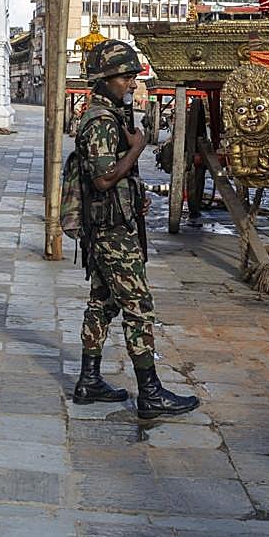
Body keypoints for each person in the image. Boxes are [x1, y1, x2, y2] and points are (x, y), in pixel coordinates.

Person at [72, 39, 201, 419]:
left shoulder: (110, 115)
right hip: (111, 232)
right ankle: (150, 392)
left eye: (133, 77)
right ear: (106, 79)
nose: (132, 84)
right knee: (139, 306)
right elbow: (102, 179)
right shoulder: (100, 121)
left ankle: (89, 380)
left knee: (103, 301)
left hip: (112, 223)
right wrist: (139, 148)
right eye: (126, 78)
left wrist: (136, 193)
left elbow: (115, 179)